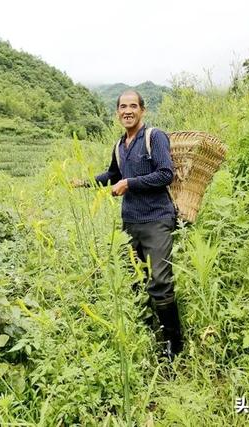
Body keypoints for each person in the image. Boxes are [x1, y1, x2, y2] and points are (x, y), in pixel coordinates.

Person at [73, 90, 184, 360]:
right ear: (117, 113)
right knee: (138, 280)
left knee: (159, 280)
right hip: (130, 223)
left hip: (156, 219)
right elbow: (113, 174)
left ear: (142, 110)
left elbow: (165, 174)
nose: (127, 111)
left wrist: (129, 183)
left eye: (133, 106)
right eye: (123, 107)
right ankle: (150, 333)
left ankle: (174, 344)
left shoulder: (153, 137)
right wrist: (85, 182)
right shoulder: (120, 145)